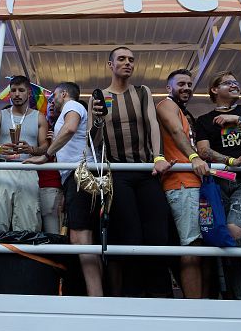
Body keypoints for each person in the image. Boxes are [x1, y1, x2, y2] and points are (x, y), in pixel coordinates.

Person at [90, 47, 171, 297]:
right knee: (130, 235)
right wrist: (97, 121)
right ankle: (133, 297)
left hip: (147, 171)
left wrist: (158, 157)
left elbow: (152, 124)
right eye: (122, 59)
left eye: (131, 60)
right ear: (110, 64)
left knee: (158, 233)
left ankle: (160, 297)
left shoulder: (142, 91)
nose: (127, 63)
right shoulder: (99, 96)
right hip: (118, 173)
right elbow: (94, 142)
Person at [193, 69, 241, 299]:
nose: (234, 85)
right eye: (228, 83)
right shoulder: (204, 120)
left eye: (236, 82)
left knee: (234, 232)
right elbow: (204, 151)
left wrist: (238, 120)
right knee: (227, 245)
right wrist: (231, 160)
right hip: (218, 184)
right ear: (214, 90)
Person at [26, 82, 101, 295]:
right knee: (78, 237)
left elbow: (70, 128)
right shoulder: (68, 110)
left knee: (82, 238)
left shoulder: (72, 106)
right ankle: (92, 294)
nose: (52, 101)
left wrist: (46, 154)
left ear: (64, 94)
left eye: (54, 96)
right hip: (73, 177)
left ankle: (96, 298)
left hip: (80, 175)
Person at [154, 68, 209, 298]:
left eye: (189, 84)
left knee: (201, 246)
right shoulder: (166, 105)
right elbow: (176, 133)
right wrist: (194, 158)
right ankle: (195, 309)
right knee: (191, 246)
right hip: (181, 184)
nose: (186, 88)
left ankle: (203, 304)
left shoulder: (184, 112)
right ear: (169, 88)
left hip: (194, 182)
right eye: (181, 84)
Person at [0, 75, 49, 232]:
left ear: (28, 92)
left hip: (27, 168)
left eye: (21, 90)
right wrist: (0, 149)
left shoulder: (39, 117)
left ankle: (23, 256)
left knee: (28, 224)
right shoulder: (0, 115)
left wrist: (32, 150)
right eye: (13, 90)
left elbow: (45, 148)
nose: (17, 94)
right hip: (2, 169)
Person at [36, 98, 64, 234]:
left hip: (61, 185)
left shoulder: (68, 127)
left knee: (59, 233)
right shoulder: (40, 125)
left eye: (55, 102)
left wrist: (56, 144)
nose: (52, 105)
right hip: (40, 184)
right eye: (49, 103)